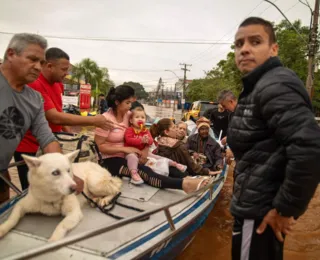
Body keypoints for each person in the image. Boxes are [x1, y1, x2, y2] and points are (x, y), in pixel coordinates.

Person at [228, 17, 320, 260]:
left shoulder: (275, 84)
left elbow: (309, 149)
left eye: (255, 41)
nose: (244, 49)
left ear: (274, 49)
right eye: (238, 44)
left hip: (260, 214)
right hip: (256, 207)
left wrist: (285, 209)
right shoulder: (258, 86)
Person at [14, 47, 113, 190]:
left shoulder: (58, 84)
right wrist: (93, 120)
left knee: (57, 187)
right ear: (49, 66)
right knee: (34, 190)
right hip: (31, 146)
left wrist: (70, 136)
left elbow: (59, 112)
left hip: (52, 142)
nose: (66, 73)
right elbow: (54, 117)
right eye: (63, 69)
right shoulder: (35, 84)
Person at [95, 85, 213, 193]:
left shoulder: (128, 115)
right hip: (110, 160)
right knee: (145, 171)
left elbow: (145, 123)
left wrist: (145, 151)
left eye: (131, 103)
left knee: (163, 163)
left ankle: (187, 178)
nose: (130, 106)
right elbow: (100, 146)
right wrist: (126, 150)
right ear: (117, 102)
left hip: (132, 154)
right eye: (127, 103)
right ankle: (184, 185)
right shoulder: (105, 119)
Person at [0, 33, 62, 203]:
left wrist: (63, 171)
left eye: (41, 62)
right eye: (32, 59)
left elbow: (47, 138)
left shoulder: (34, 99)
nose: (38, 67)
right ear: (11, 54)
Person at [124, 107, 186, 184]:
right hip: (131, 151)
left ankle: (174, 164)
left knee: (158, 157)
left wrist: (147, 140)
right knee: (132, 157)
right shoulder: (129, 130)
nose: (140, 119)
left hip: (143, 152)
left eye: (143, 117)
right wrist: (141, 140)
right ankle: (133, 173)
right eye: (137, 117)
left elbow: (150, 141)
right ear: (131, 120)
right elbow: (128, 140)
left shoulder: (145, 130)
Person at [150, 118, 222, 176]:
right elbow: (191, 166)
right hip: (184, 174)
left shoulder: (158, 143)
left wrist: (218, 165)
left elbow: (218, 157)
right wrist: (208, 172)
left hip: (166, 173)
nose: (177, 130)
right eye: (175, 127)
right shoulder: (184, 143)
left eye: (206, 129)